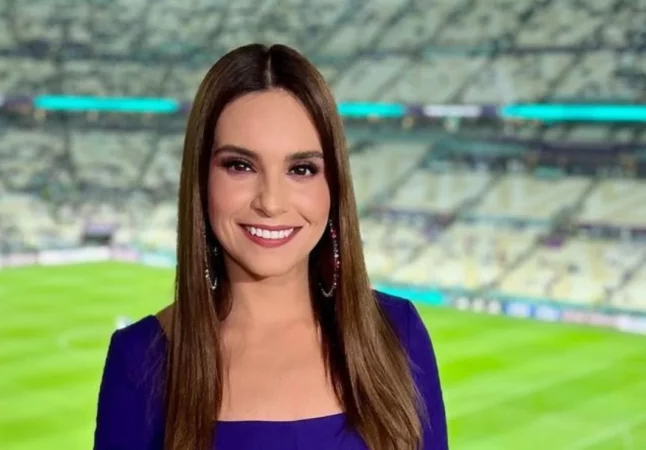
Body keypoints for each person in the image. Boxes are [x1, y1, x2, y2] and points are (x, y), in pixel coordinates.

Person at [94, 43, 448, 450]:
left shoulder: (396, 332)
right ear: (202, 180)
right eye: (240, 166)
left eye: (301, 169)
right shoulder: (142, 359)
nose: (271, 201)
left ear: (332, 186)